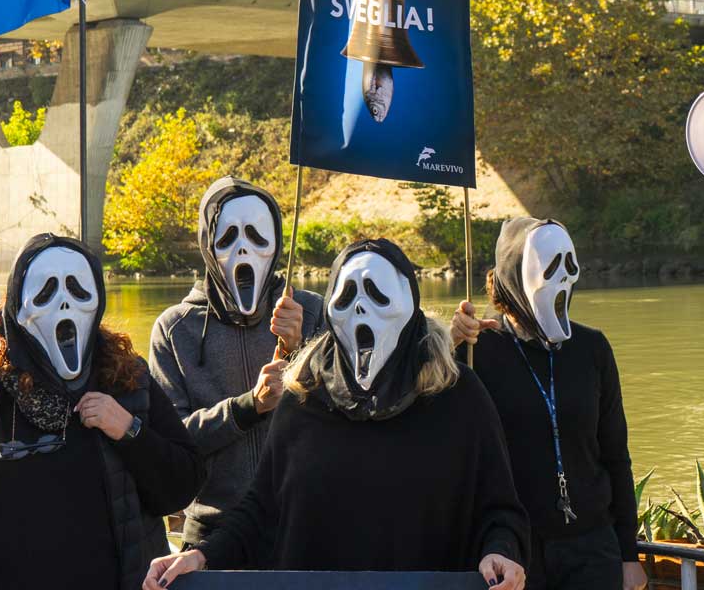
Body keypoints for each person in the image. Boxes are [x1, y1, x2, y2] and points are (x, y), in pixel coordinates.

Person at [144, 238, 530, 589]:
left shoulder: (457, 395)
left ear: (409, 306)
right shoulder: (304, 397)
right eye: (346, 295)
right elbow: (261, 510)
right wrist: (202, 555)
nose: (360, 307)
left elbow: (499, 507)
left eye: (378, 294)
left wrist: (501, 550)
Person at [0, 233, 205, 590]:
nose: (64, 304)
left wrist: (130, 431)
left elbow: (182, 486)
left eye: (77, 289)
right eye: (46, 292)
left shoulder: (128, 378)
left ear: (97, 301)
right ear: (18, 310)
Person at [451, 217, 646, 590]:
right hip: (517, 553)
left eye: (569, 266)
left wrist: (627, 555)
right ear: (514, 276)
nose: (564, 278)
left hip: (593, 547)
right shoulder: (480, 350)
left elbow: (616, 455)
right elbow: (449, 442)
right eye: (550, 267)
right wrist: (452, 345)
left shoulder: (593, 348)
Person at [149, 176, 324, 548]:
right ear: (207, 245)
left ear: (276, 242)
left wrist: (298, 353)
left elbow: (343, 416)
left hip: (300, 519)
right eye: (228, 237)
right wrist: (247, 408)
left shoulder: (310, 311)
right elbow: (170, 441)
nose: (243, 249)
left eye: (256, 235)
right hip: (212, 529)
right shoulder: (174, 328)